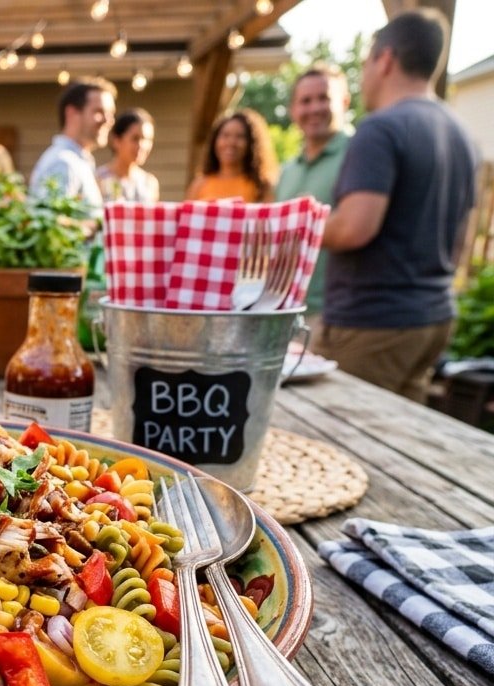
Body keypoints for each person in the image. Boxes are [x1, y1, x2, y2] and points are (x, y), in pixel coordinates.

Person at [317, 9, 478, 404]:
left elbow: (355, 227)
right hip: (433, 318)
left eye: (366, 62)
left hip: (371, 323)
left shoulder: (381, 128)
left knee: (344, 444)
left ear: (384, 59)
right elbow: (463, 239)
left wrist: (297, 230)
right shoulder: (462, 135)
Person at [276, 64, 353, 322]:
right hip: (285, 309)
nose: (314, 109)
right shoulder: (287, 170)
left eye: (324, 98)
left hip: (335, 313)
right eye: (305, 101)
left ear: (344, 101)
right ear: (293, 110)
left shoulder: (358, 156)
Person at [29, 78, 117, 205]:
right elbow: (54, 222)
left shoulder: (78, 161)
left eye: (111, 113)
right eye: (99, 111)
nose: (109, 120)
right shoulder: (63, 163)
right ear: (71, 113)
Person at [185, 109, 278, 203]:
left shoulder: (261, 186)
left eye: (240, 136)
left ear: (252, 143)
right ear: (215, 141)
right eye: (225, 135)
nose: (231, 142)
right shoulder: (199, 184)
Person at [96, 108, 161, 203]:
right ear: (116, 140)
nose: (142, 145)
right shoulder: (99, 179)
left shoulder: (149, 183)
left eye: (148, 139)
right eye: (135, 138)